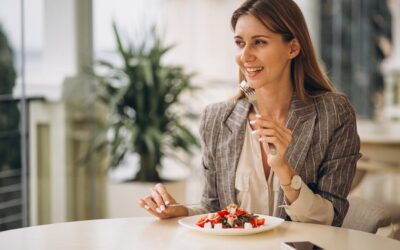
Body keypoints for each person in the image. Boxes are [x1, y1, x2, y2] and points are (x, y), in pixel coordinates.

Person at [138, 0, 361, 227]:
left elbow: (331, 219)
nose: (244, 56)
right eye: (239, 43)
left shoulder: (333, 113)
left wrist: (284, 171)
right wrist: (180, 211)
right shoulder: (216, 118)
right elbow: (215, 208)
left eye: (259, 42)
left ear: (292, 48)